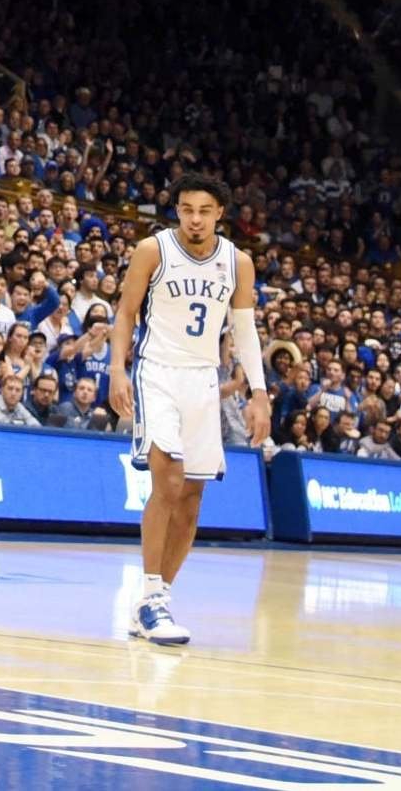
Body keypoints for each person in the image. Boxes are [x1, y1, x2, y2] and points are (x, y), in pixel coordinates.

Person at [109, 169, 268, 647]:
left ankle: (158, 599)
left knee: (193, 498)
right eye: (186, 210)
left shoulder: (238, 262)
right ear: (176, 211)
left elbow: (244, 329)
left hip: (203, 379)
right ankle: (151, 596)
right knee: (169, 478)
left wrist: (258, 392)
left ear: (220, 214)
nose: (195, 220)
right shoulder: (152, 250)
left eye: (204, 211)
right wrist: (117, 369)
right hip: (156, 369)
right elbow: (124, 313)